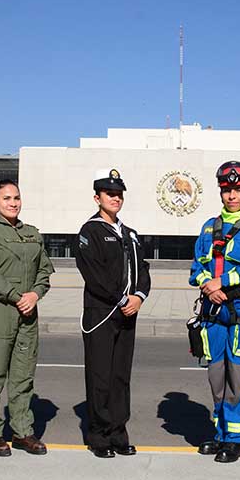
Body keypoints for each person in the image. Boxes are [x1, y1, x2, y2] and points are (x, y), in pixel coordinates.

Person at [189, 161, 240, 463]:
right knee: (216, 376)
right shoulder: (208, 227)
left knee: (238, 378)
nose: (232, 195)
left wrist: (219, 283)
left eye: (238, 190)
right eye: (227, 190)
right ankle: (219, 433)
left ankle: (236, 440)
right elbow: (196, 267)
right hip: (213, 313)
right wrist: (209, 287)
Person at [0, 179, 54, 457]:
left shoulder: (32, 234)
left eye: (17, 197)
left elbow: (44, 269)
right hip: (0, 311)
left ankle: (22, 431)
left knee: (23, 376)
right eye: (6, 198)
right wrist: (16, 296)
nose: (13, 203)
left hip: (28, 312)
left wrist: (35, 294)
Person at [75, 168, 151, 458]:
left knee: (121, 376)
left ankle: (119, 433)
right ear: (97, 198)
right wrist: (121, 299)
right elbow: (94, 275)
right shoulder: (90, 231)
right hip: (101, 314)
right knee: (100, 376)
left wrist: (139, 297)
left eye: (119, 194)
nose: (115, 198)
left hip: (128, 313)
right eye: (110, 194)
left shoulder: (129, 233)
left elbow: (143, 270)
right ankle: (100, 436)